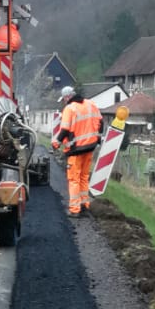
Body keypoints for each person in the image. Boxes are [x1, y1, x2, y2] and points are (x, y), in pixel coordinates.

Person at [53, 84, 103, 220]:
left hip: (76, 150)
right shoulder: (91, 104)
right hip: (90, 147)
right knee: (84, 177)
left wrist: (56, 142)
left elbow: (64, 130)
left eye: (64, 99)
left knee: (74, 179)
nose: (64, 102)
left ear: (67, 97)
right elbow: (101, 122)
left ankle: (75, 210)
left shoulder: (69, 109)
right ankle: (84, 205)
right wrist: (97, 138)